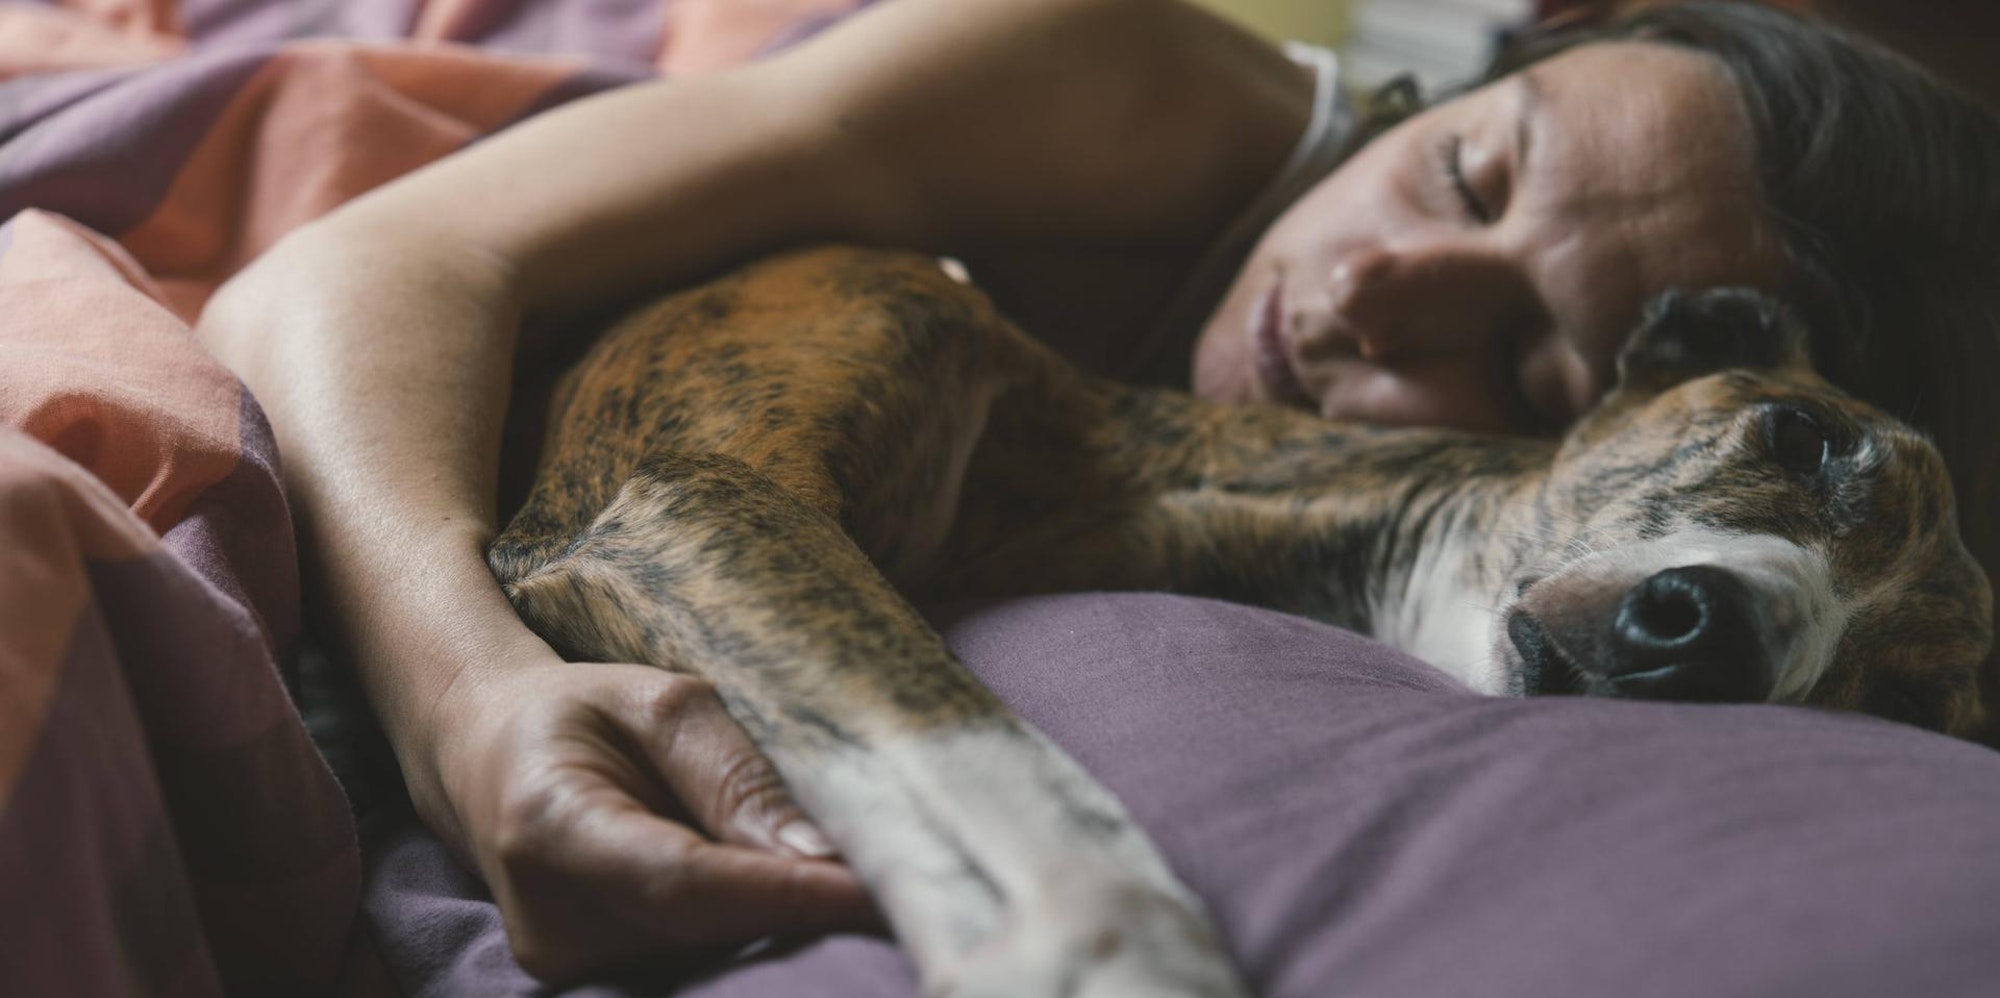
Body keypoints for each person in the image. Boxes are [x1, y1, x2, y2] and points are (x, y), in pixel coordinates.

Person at [194, 0, 2000, 982]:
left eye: (1522, 368)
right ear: (1494, 64)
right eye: (1465, 173)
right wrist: (465, 695)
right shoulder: (1123, 80)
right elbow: (344, 275)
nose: (1375, 290)